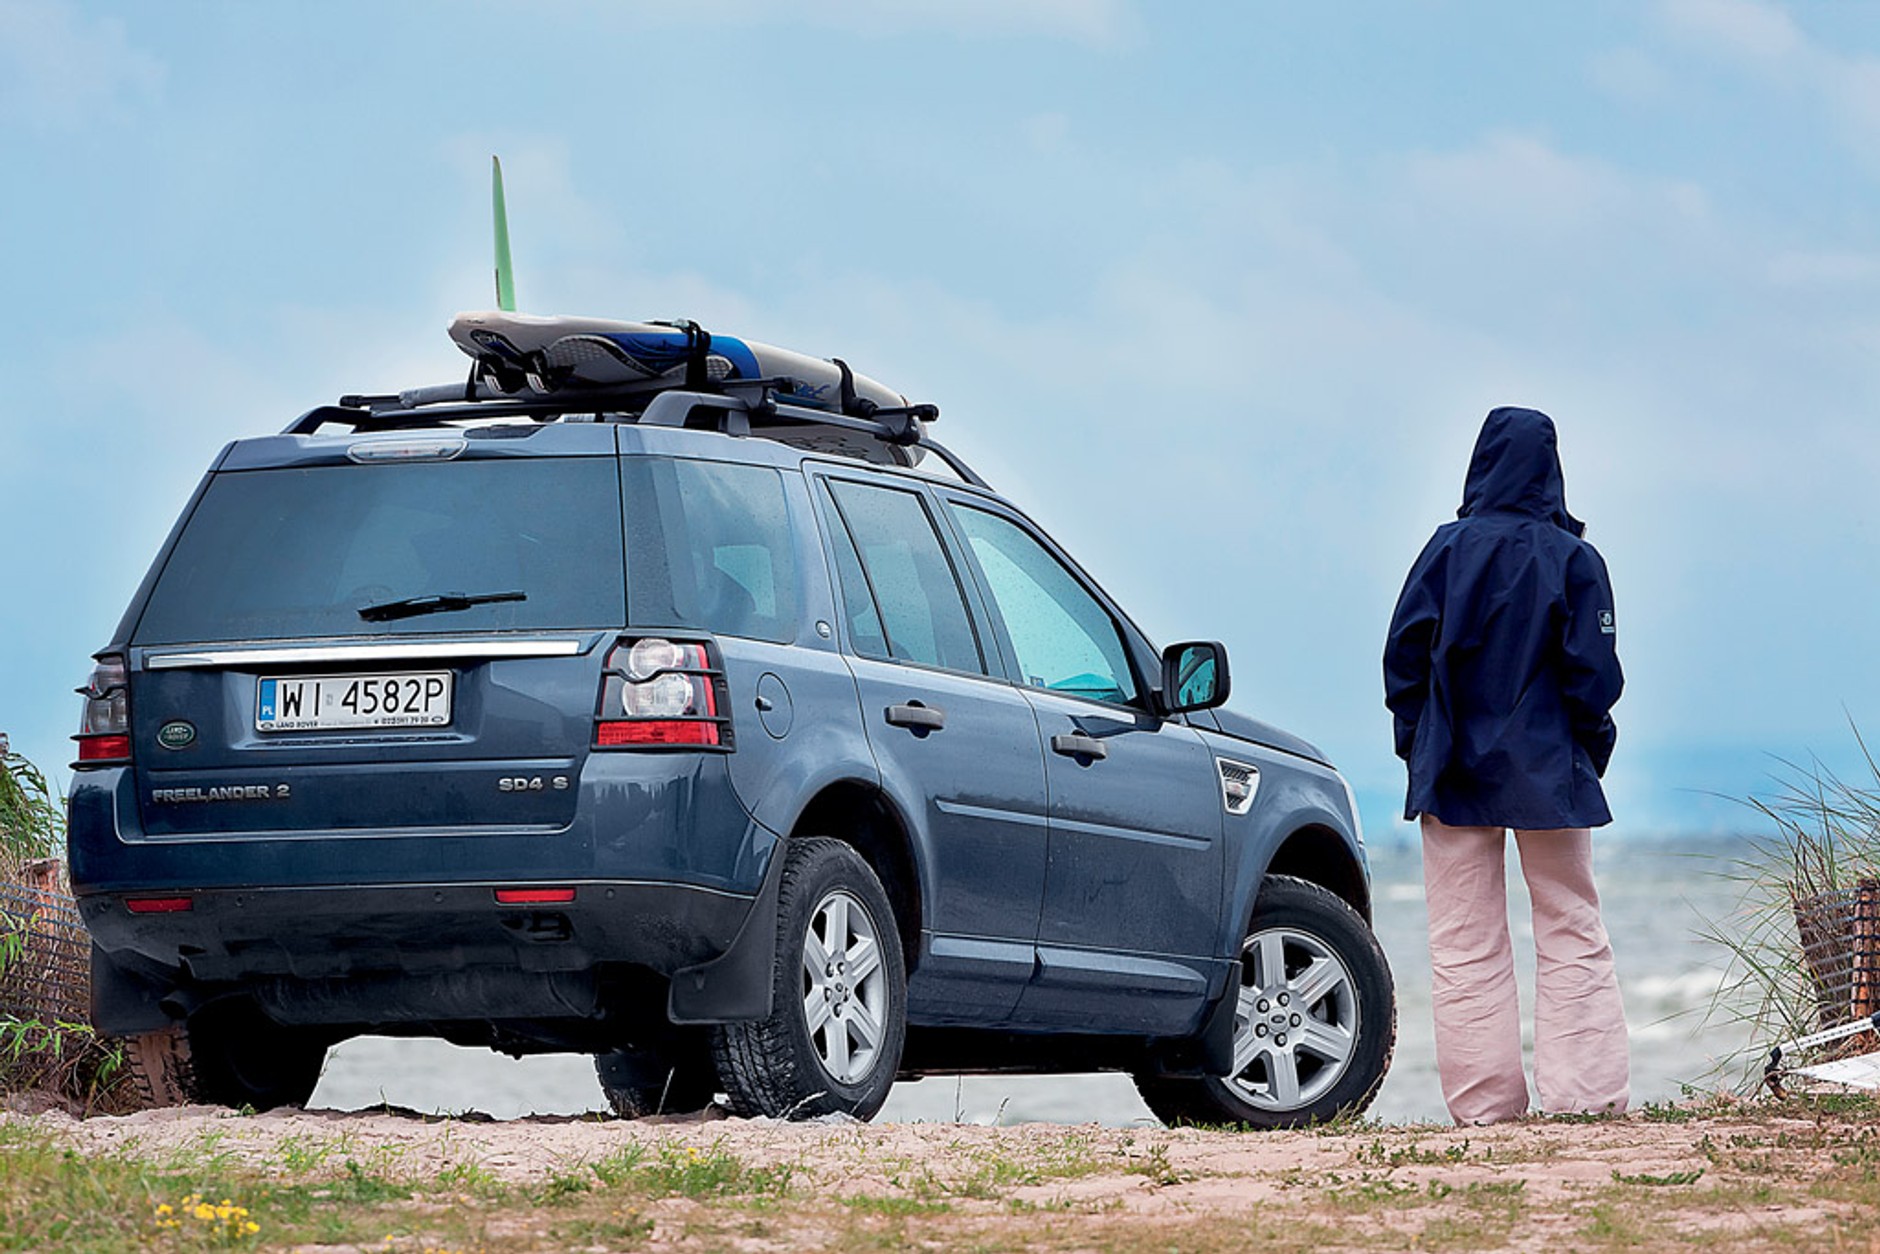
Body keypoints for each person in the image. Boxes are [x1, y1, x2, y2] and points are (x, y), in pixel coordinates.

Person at [1383, 406, 1629, 1125]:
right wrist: (1590, 751)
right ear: (1552, 467)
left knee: (1463, 941)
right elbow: (1595, 677)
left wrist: (1418, 745)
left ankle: (1485, 1108)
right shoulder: (1575, 561)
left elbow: (1402, 662)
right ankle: (1585, 1097)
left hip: (1450, 767)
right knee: (1571, 925)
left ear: (1481, 464)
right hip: (1551, 773)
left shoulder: (1443, 550)